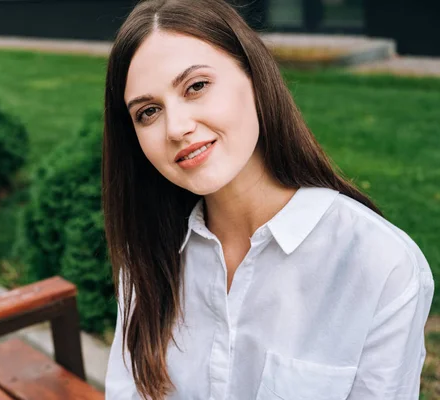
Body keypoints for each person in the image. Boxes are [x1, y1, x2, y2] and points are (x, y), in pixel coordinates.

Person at [101, 0, 434, 399]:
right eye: (149, 111)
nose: (176, 128)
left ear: (255, 77)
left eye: (196, 86)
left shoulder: (382, 265)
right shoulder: (147, 259)